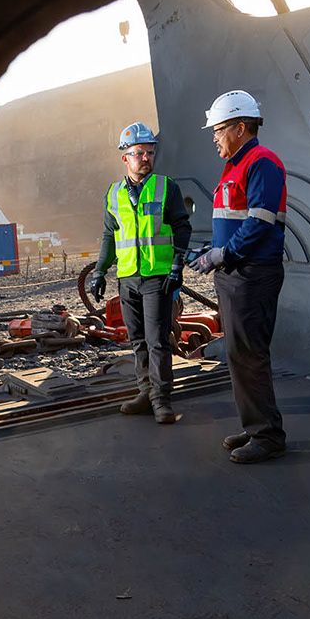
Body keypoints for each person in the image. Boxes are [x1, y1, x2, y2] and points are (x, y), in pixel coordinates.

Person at [189, 90, 288, 463]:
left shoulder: (262, 161)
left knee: (250, 354)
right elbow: (233, 220)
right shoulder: (235, 164)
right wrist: (210, 251)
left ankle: (268, 436)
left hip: (252, 273)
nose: (214, 136)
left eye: (218, 130)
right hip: (234, 273)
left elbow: (260, 221)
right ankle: (254, 426)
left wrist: (223, 254)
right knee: (237, 353)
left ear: (240, 127)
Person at [89, 122, 191, 423]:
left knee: (157, 340)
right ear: (125, 158)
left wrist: (176, 265)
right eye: (138, 153)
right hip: (128, 278)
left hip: (157, 276)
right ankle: (146, 392)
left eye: (149, 152)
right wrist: (99, 272)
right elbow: (109, 236)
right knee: (137, 340)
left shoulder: (167, 187)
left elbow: (182, 226)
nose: (145, 158)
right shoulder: (114, 194)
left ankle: (162, 400)